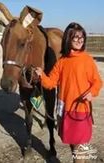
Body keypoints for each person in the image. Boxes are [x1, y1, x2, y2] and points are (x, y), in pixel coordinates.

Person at [35, 22, 102, 163]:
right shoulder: (62, 62)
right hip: (64, 110)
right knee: (73, 144)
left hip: (81, 110)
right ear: (68, 39)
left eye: (81, 37)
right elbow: (51, 83)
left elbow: (97, 82)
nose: (79, 40)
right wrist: (41, 75)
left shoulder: (87, 60)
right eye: (75, 37)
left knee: (80, 147)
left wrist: (92, 92)